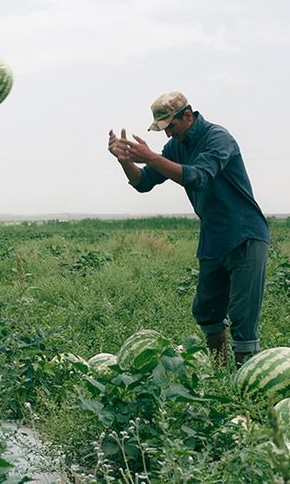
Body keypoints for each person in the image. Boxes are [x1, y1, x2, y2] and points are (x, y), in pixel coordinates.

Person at [108, 91, 269, 367]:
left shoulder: (219, 139)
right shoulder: (177, 146)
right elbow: (144, 181)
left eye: (171, 126)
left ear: (188, 116)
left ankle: (246, 380)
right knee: (207, 310)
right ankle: (220, 372)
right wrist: (126, 161)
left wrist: (151, 157)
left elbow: (199, 177)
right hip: (214, 236)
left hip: (245, 235)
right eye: (163, 130)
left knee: (242, 316)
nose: (169, 135)